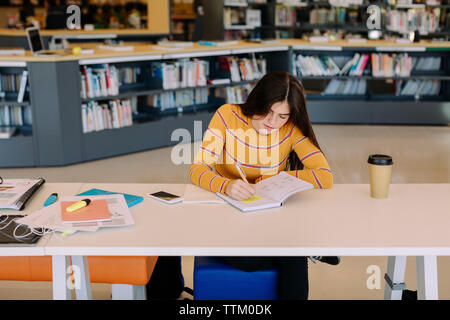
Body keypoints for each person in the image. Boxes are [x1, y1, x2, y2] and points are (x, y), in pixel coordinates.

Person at [188, 71, 335, 300]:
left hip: (267, 216)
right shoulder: (228, 115)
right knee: (273, 256)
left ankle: (299, 251)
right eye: (268, 111)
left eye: (282, 116)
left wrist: (279, 178)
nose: (272, 122)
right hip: (228, 213)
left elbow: (324, 176)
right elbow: (197, 169)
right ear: (259, 100)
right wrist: (225, 185)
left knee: (290, 251)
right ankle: (304, 251)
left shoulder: (291, 128)